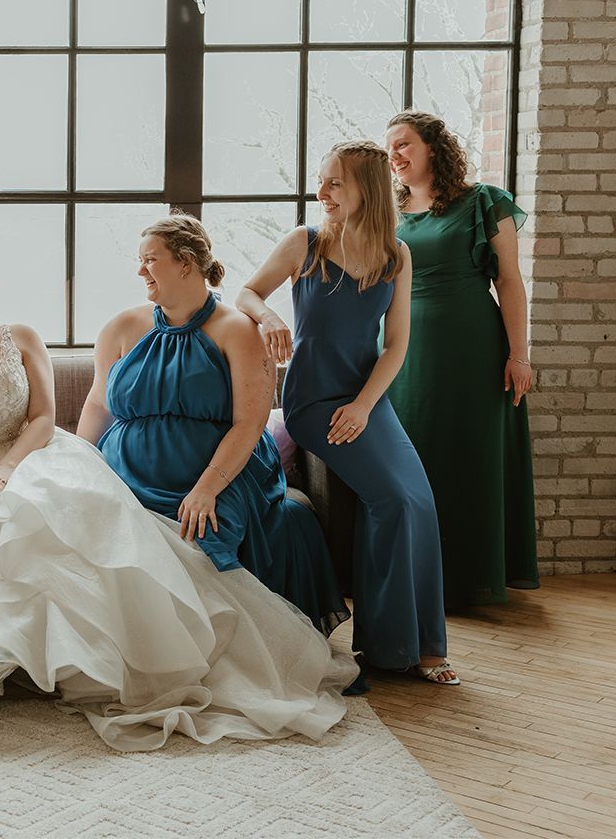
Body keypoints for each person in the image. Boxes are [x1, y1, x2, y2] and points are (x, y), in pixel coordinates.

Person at [0, 238, 357, 752]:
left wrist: (8, 468)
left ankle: (64, 657)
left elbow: (43, 418)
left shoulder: (21, 338)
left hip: (24, 456)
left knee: (38, 525)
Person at [236, 141, 456, 685]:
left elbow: (396, 345)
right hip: (313, 402)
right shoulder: (304, 243)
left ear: (367, 188)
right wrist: (267, 317)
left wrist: (364, 405)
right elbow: (245, 292)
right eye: (322, 180)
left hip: (365, 401)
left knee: (415, 499)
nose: (323, 192)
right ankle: (393, 648)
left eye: (335, 182)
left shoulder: (396, 255)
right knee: (394, 498)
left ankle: (418, 646)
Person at [80, 216, 350, 638]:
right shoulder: (120, 327)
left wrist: (206, 488)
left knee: (202, 535)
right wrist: (82, 464)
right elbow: (98, 402)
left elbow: (249, 422)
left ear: (186, 263)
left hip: (218, 472)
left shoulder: (237, 330)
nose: (140, 271)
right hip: (126, 471)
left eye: (150, 260)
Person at [385, 110, 538, 608]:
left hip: (473, 346)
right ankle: (421, 578)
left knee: (471, 456)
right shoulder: (389, 211)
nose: (396, 156)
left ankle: (473, 578)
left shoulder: (481, 201)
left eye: (404, 144)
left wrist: (519, 355)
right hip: (405, 351)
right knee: (418, 455)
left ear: (434, 147)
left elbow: (509, 280)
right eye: (390, 149)